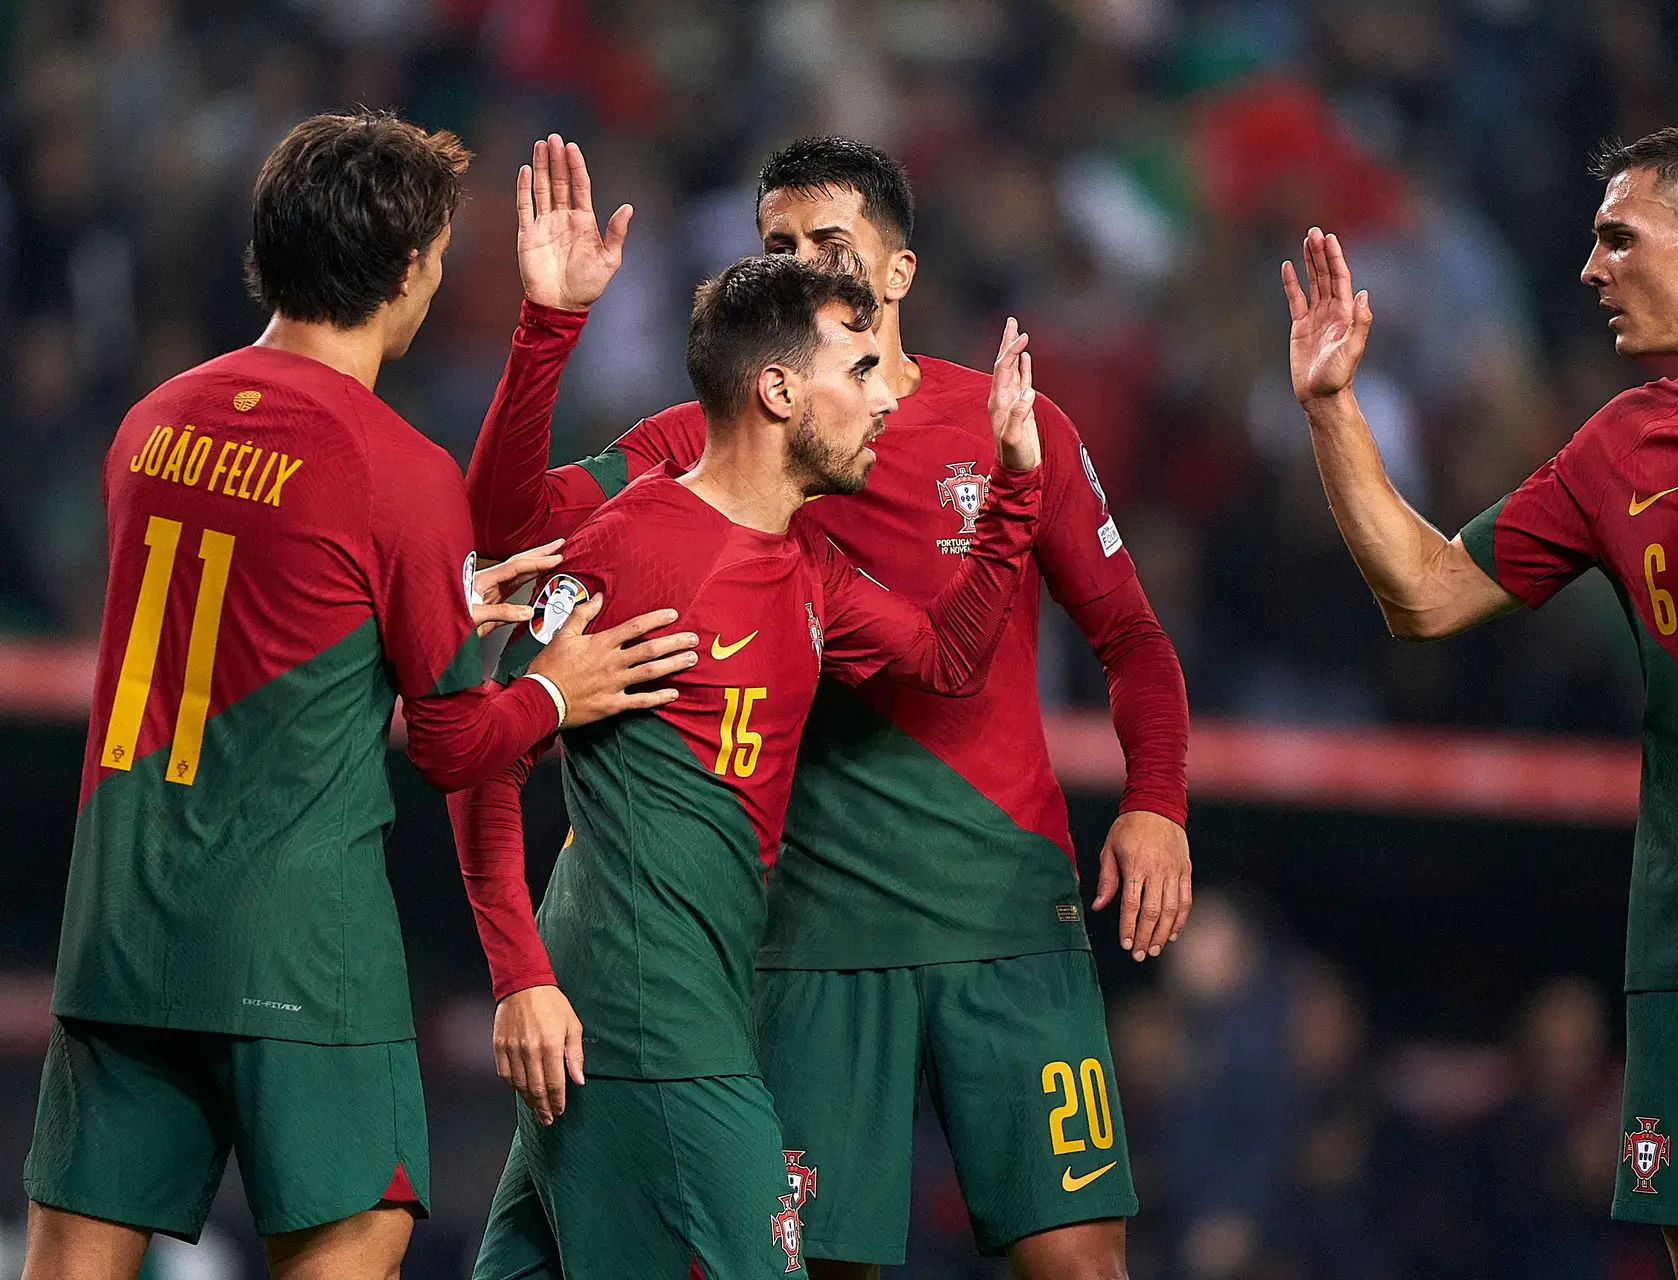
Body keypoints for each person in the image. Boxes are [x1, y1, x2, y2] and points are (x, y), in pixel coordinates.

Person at [467, 133, 1190, 1280]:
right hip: (805, 934)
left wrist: (1155, 800)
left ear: (898, 272)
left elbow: (1122, 638)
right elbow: (509, 537)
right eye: (776, 247)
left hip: (1002, 909)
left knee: (1080, 1261)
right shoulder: (706, 449)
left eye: (828, 243)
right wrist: (548, 326)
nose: (802, 263)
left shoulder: (1004, 426)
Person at [20, 110, 694, 1280]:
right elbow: (447, 744)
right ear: (409, 268)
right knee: (351, 1249)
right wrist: (552, 692)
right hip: (296, 949)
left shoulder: (150, 425)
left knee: (71, 1260)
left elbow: (265, 606)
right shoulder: (397, 469)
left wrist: (440, 596)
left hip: (120, 930)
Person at [1285, 112, 1678, 1280]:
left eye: (1618, 239)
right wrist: (1331, 408)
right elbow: (1425, 596)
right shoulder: (1616, 447)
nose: (1589, 270)